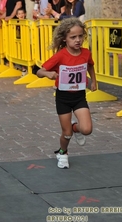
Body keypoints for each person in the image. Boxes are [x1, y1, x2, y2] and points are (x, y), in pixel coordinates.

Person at [36, 18, 96, 169]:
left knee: (87, 129)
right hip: (63, 97)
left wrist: (94, 81)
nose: (78, 40)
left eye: (80, 36)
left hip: (79, 96)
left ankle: (77, 128)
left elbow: (90, 66)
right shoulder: (60, 56)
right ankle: (63, 152)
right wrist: (47, 74)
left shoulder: (86, 53)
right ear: (65, 38)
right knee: (66, 133)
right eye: (73, 37)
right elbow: (39, 71)